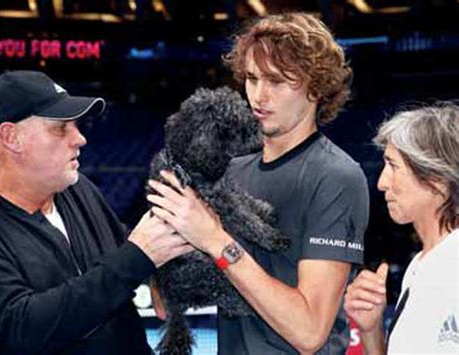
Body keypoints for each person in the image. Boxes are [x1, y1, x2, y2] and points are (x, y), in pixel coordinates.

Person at [148, 12, 370, 354]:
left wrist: (214, 239)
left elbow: (309, 332)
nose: (258, 96)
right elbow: (164, 306)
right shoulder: (228, 172)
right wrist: (169, 229)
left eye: (277, 81)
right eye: (251, 78)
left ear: (315, 87)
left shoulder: (337, 176)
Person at [0, 70, 193, 355]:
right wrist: (137, 260)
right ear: (12, 137)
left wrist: (157, 271)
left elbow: (118, 244)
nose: (80, 138)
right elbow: (20, 327)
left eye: (76, 125)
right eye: (61, 127)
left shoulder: (76, 187)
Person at [344, 104, 459, 353]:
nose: (383, 183)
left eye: (393, 166)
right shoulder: (421, 264)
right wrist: (371, 329)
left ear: (435, 179)